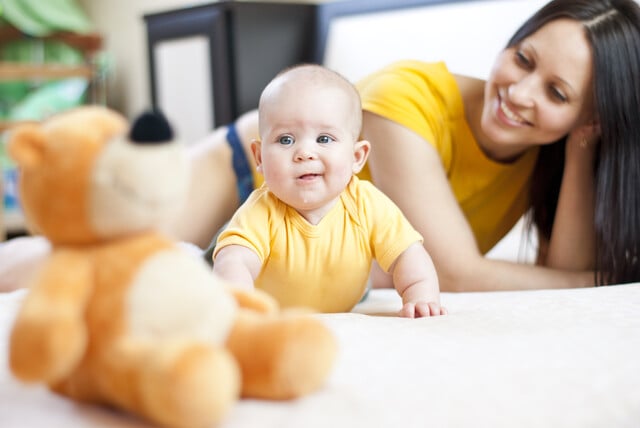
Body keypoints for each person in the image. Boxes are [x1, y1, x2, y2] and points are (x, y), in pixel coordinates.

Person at [3, 0, 640, 292]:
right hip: (246, 173)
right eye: (522, 58)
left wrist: (583, 148)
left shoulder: (551, 148)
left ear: (591, 118)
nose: (520, 93)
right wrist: (606, 281)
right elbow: (457, 273)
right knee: (95, 256)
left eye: (557, 93)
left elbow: (568, 274)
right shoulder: (403, 98)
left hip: (313, 243)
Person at [212, 64, 445, 318]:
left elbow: (407, 254)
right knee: (199, 274)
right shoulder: (261, 211)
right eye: (286, 140)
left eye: (324, 139)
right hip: (265, 302)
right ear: (259, 157)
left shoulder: (366, 204)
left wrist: (420, 295)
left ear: (357, 157)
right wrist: (240, 307)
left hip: (345, 288)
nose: (305, 153)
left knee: (366, 279)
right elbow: (234, 261)